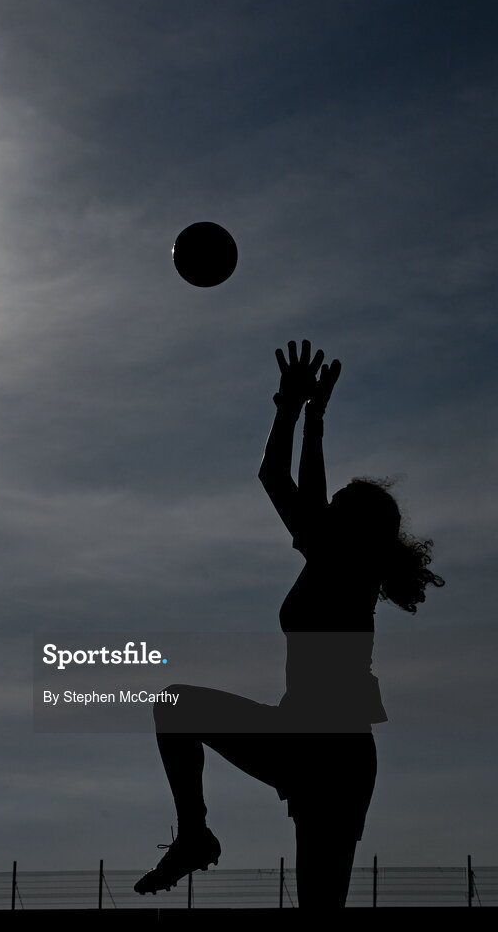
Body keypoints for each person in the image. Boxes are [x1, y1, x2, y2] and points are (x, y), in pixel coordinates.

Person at [134, 340, 444, 909]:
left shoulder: (344, 565)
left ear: (352, 527)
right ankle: (195, 833)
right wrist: (299, 413)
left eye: (338, 503)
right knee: (174, 705)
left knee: (318, 908)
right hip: (306, 738)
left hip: (332, 751)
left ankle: (196, 834)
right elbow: (282, 481)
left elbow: (285, 482)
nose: (324, 505)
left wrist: (304, 413)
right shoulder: (334, 563)